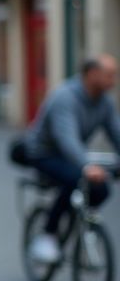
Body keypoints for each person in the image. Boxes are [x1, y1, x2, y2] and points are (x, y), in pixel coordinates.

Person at [22, 54, 120, 263]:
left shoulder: (104, 101)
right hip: (43, 153)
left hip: (71, 155)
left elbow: (116, 132)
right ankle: (48, 236)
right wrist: (86, 165)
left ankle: (76, 218)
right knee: (74, 178)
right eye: (110, 75)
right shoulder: (65, 97)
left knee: (102, 189)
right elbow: (67, 138)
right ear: (93, 75)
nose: (114, 80)